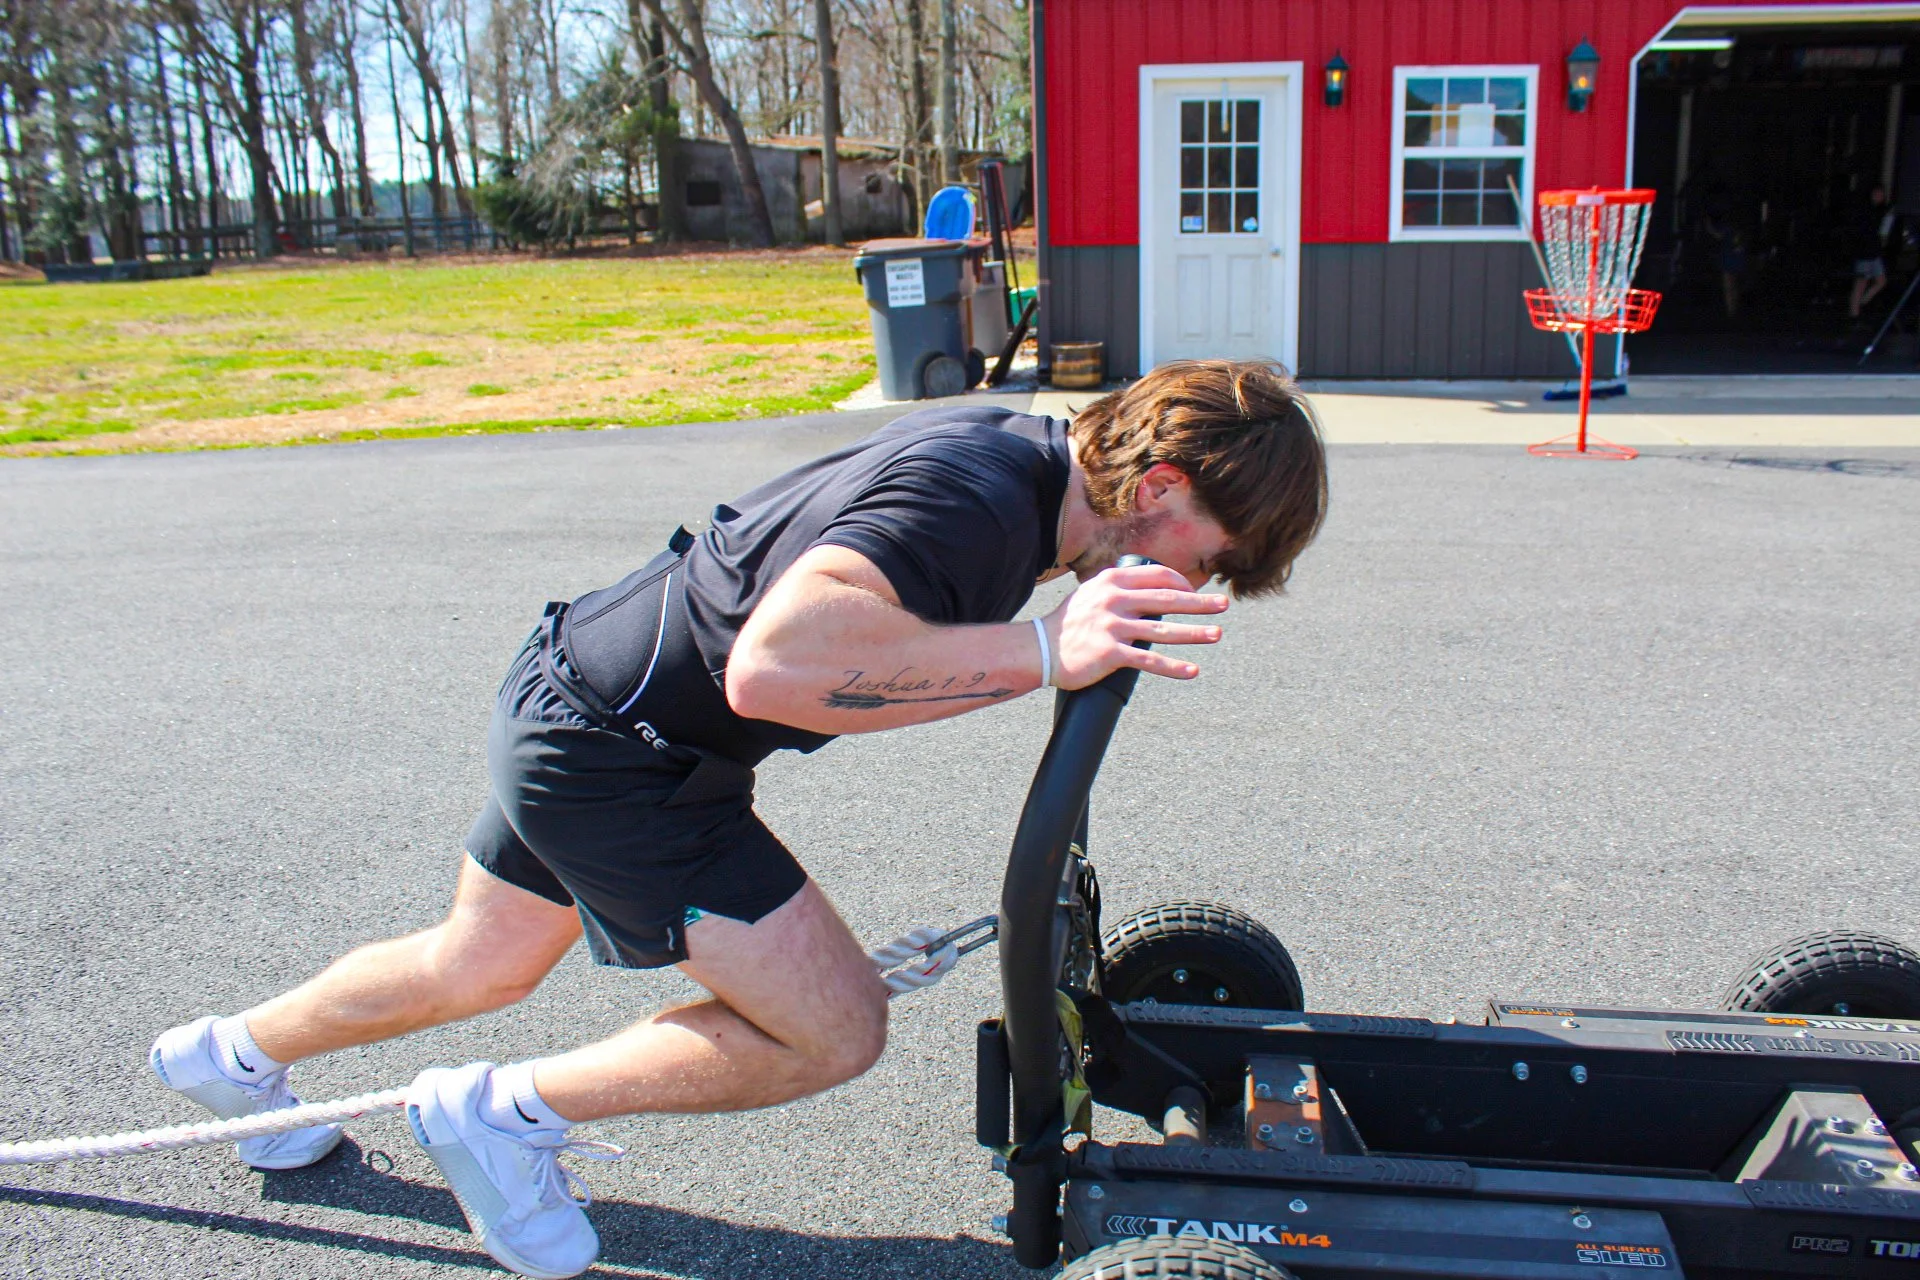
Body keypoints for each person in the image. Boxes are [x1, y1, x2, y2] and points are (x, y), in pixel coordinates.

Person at [147, 357, 1328, 1279]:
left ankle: (229, 1058)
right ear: (1160, 486)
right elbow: (775, 667)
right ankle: (504, 1116)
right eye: (1206, 558)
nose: (1192, 586)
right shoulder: (975, 505)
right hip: (632, 753)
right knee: (834, 1027)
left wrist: (1037, 642)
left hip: (574, 691)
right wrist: (1037, 649)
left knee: (480, 959)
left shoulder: (1027, 463)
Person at [1850, 184, 1894, 320]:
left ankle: (1863, 301)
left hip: (1874, 253)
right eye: (1877, 194)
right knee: (1861, 283)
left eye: (1882, 195)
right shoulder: (1865, 210)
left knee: (1881, 281)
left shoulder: (1881, 211)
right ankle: (1854, 314)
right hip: (1864, 252)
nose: (1880, 197)